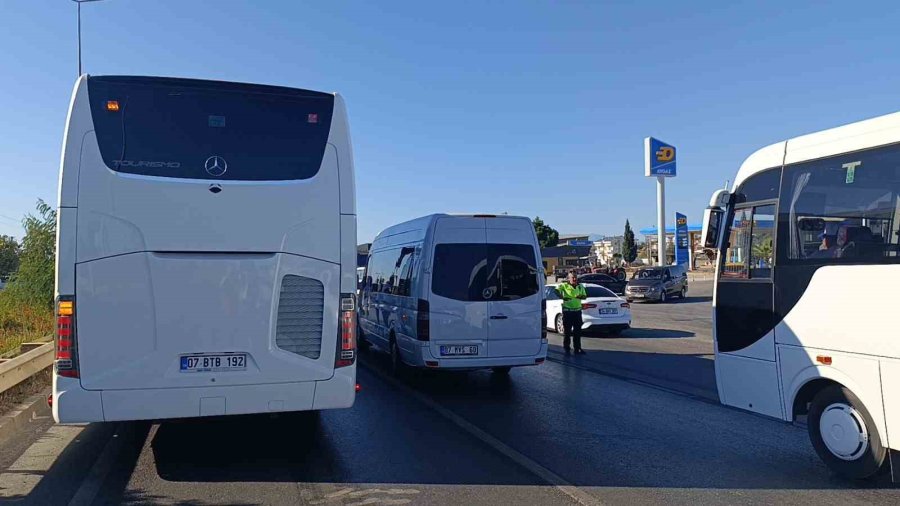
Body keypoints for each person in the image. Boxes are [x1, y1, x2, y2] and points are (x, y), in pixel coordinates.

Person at [555, 271, 587, 354]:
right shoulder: (564, 285)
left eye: (575, 277)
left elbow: (584, 296)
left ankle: (577, 348)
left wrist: (579, 296)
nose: (575, 279)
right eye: (573, 277)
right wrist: (562, 297)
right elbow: (556, 291)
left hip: (577, 311)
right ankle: (567, 347)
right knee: (567, 331)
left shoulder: (580, 286)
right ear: (568, 278)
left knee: (577, 331)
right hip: (568, 312)